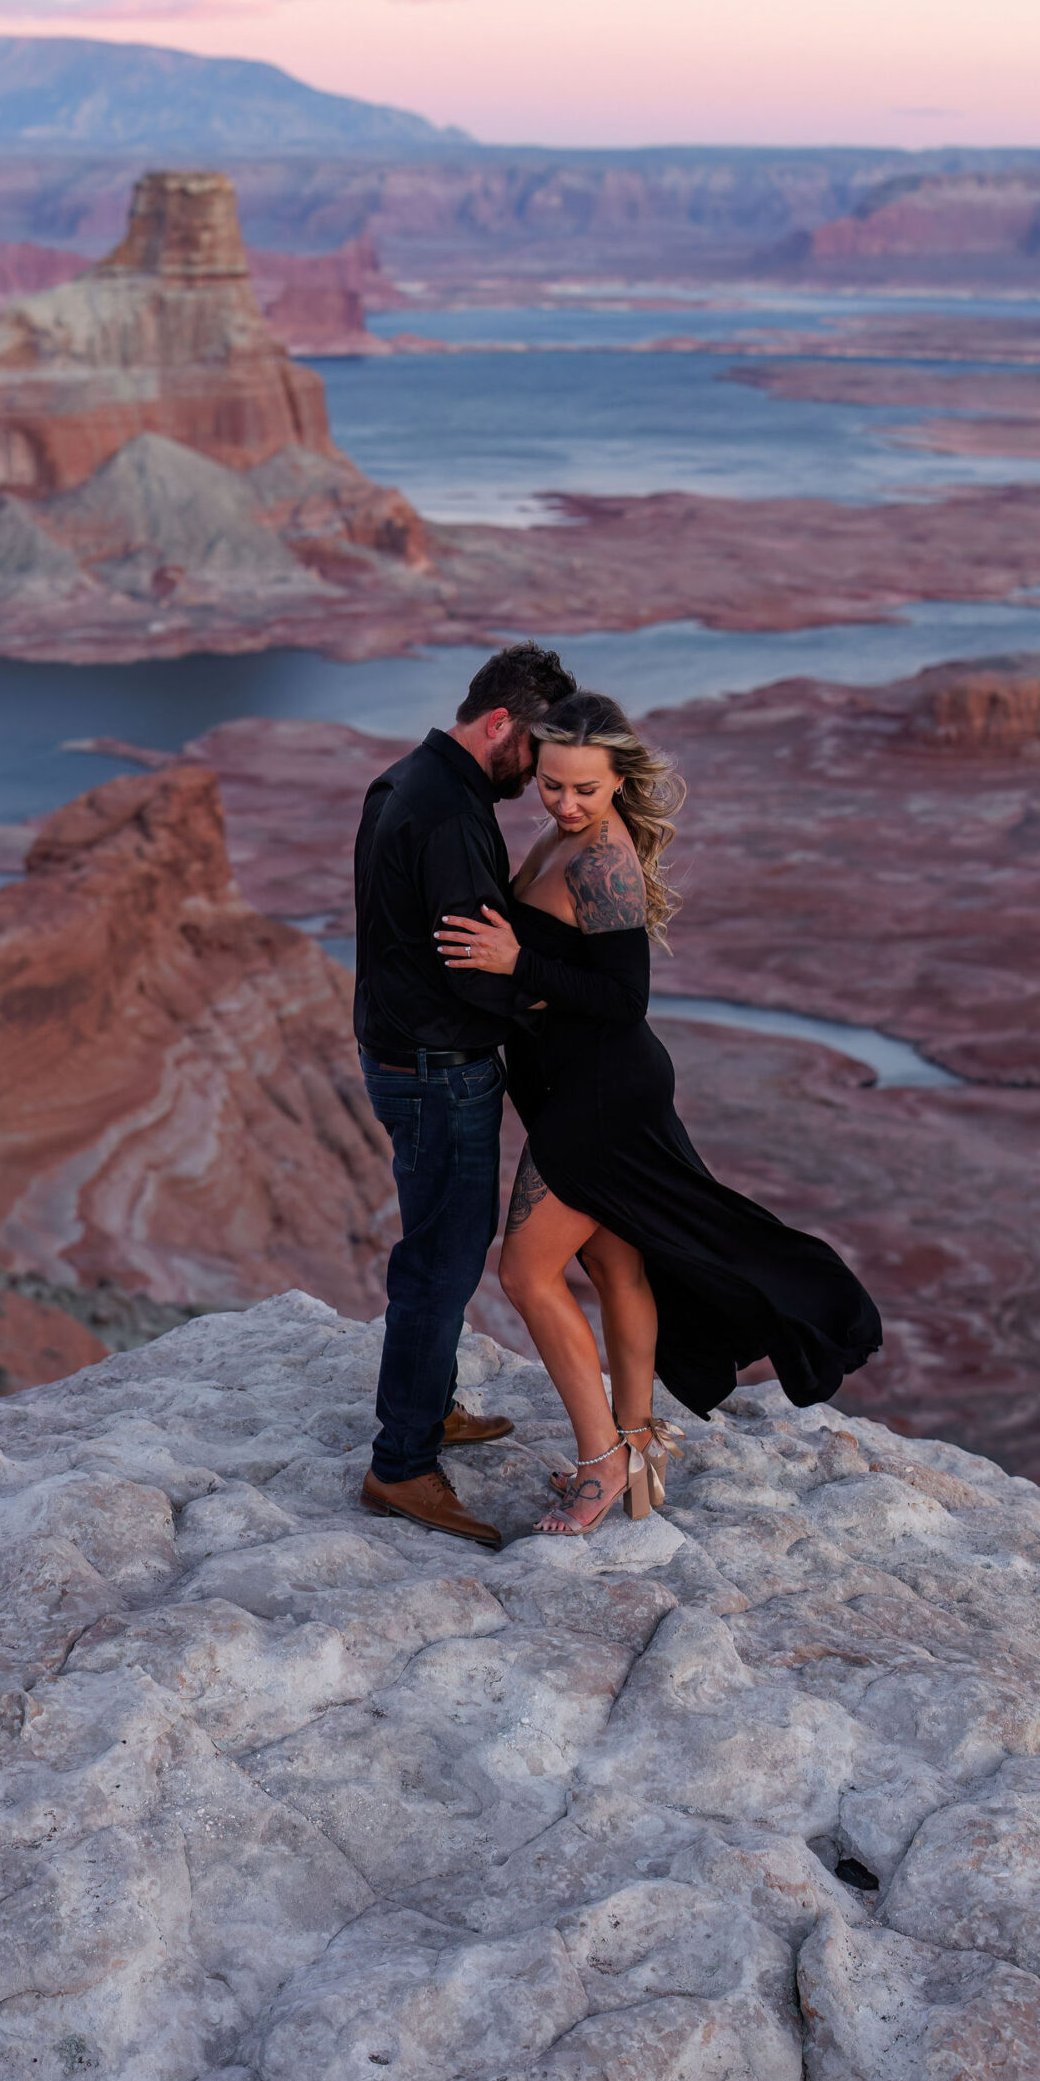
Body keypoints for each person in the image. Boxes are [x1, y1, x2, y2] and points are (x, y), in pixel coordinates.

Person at [436, 688, 882, 1535]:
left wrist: (514, 961)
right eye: (553, 785)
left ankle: (600, 1462)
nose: (565, 803)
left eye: (585, 790)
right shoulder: (560, 837)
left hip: (600, 1096)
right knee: (615, 1267)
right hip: (574, 1084)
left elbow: (622, 999)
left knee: (527, 1275)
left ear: (618, 782)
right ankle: (637, 1441)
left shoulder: (602, 860)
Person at [354, 640, 578, 1547]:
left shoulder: (405, 778)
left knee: (438, 1247)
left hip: (404, 1055)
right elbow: (471, 970)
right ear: (501, 726)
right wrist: (557, 994)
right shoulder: (449, 814)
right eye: (535, 755)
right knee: (442, 1262)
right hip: (438, 1069)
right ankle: (401, 1465)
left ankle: (429, 1408)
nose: (539, 778)